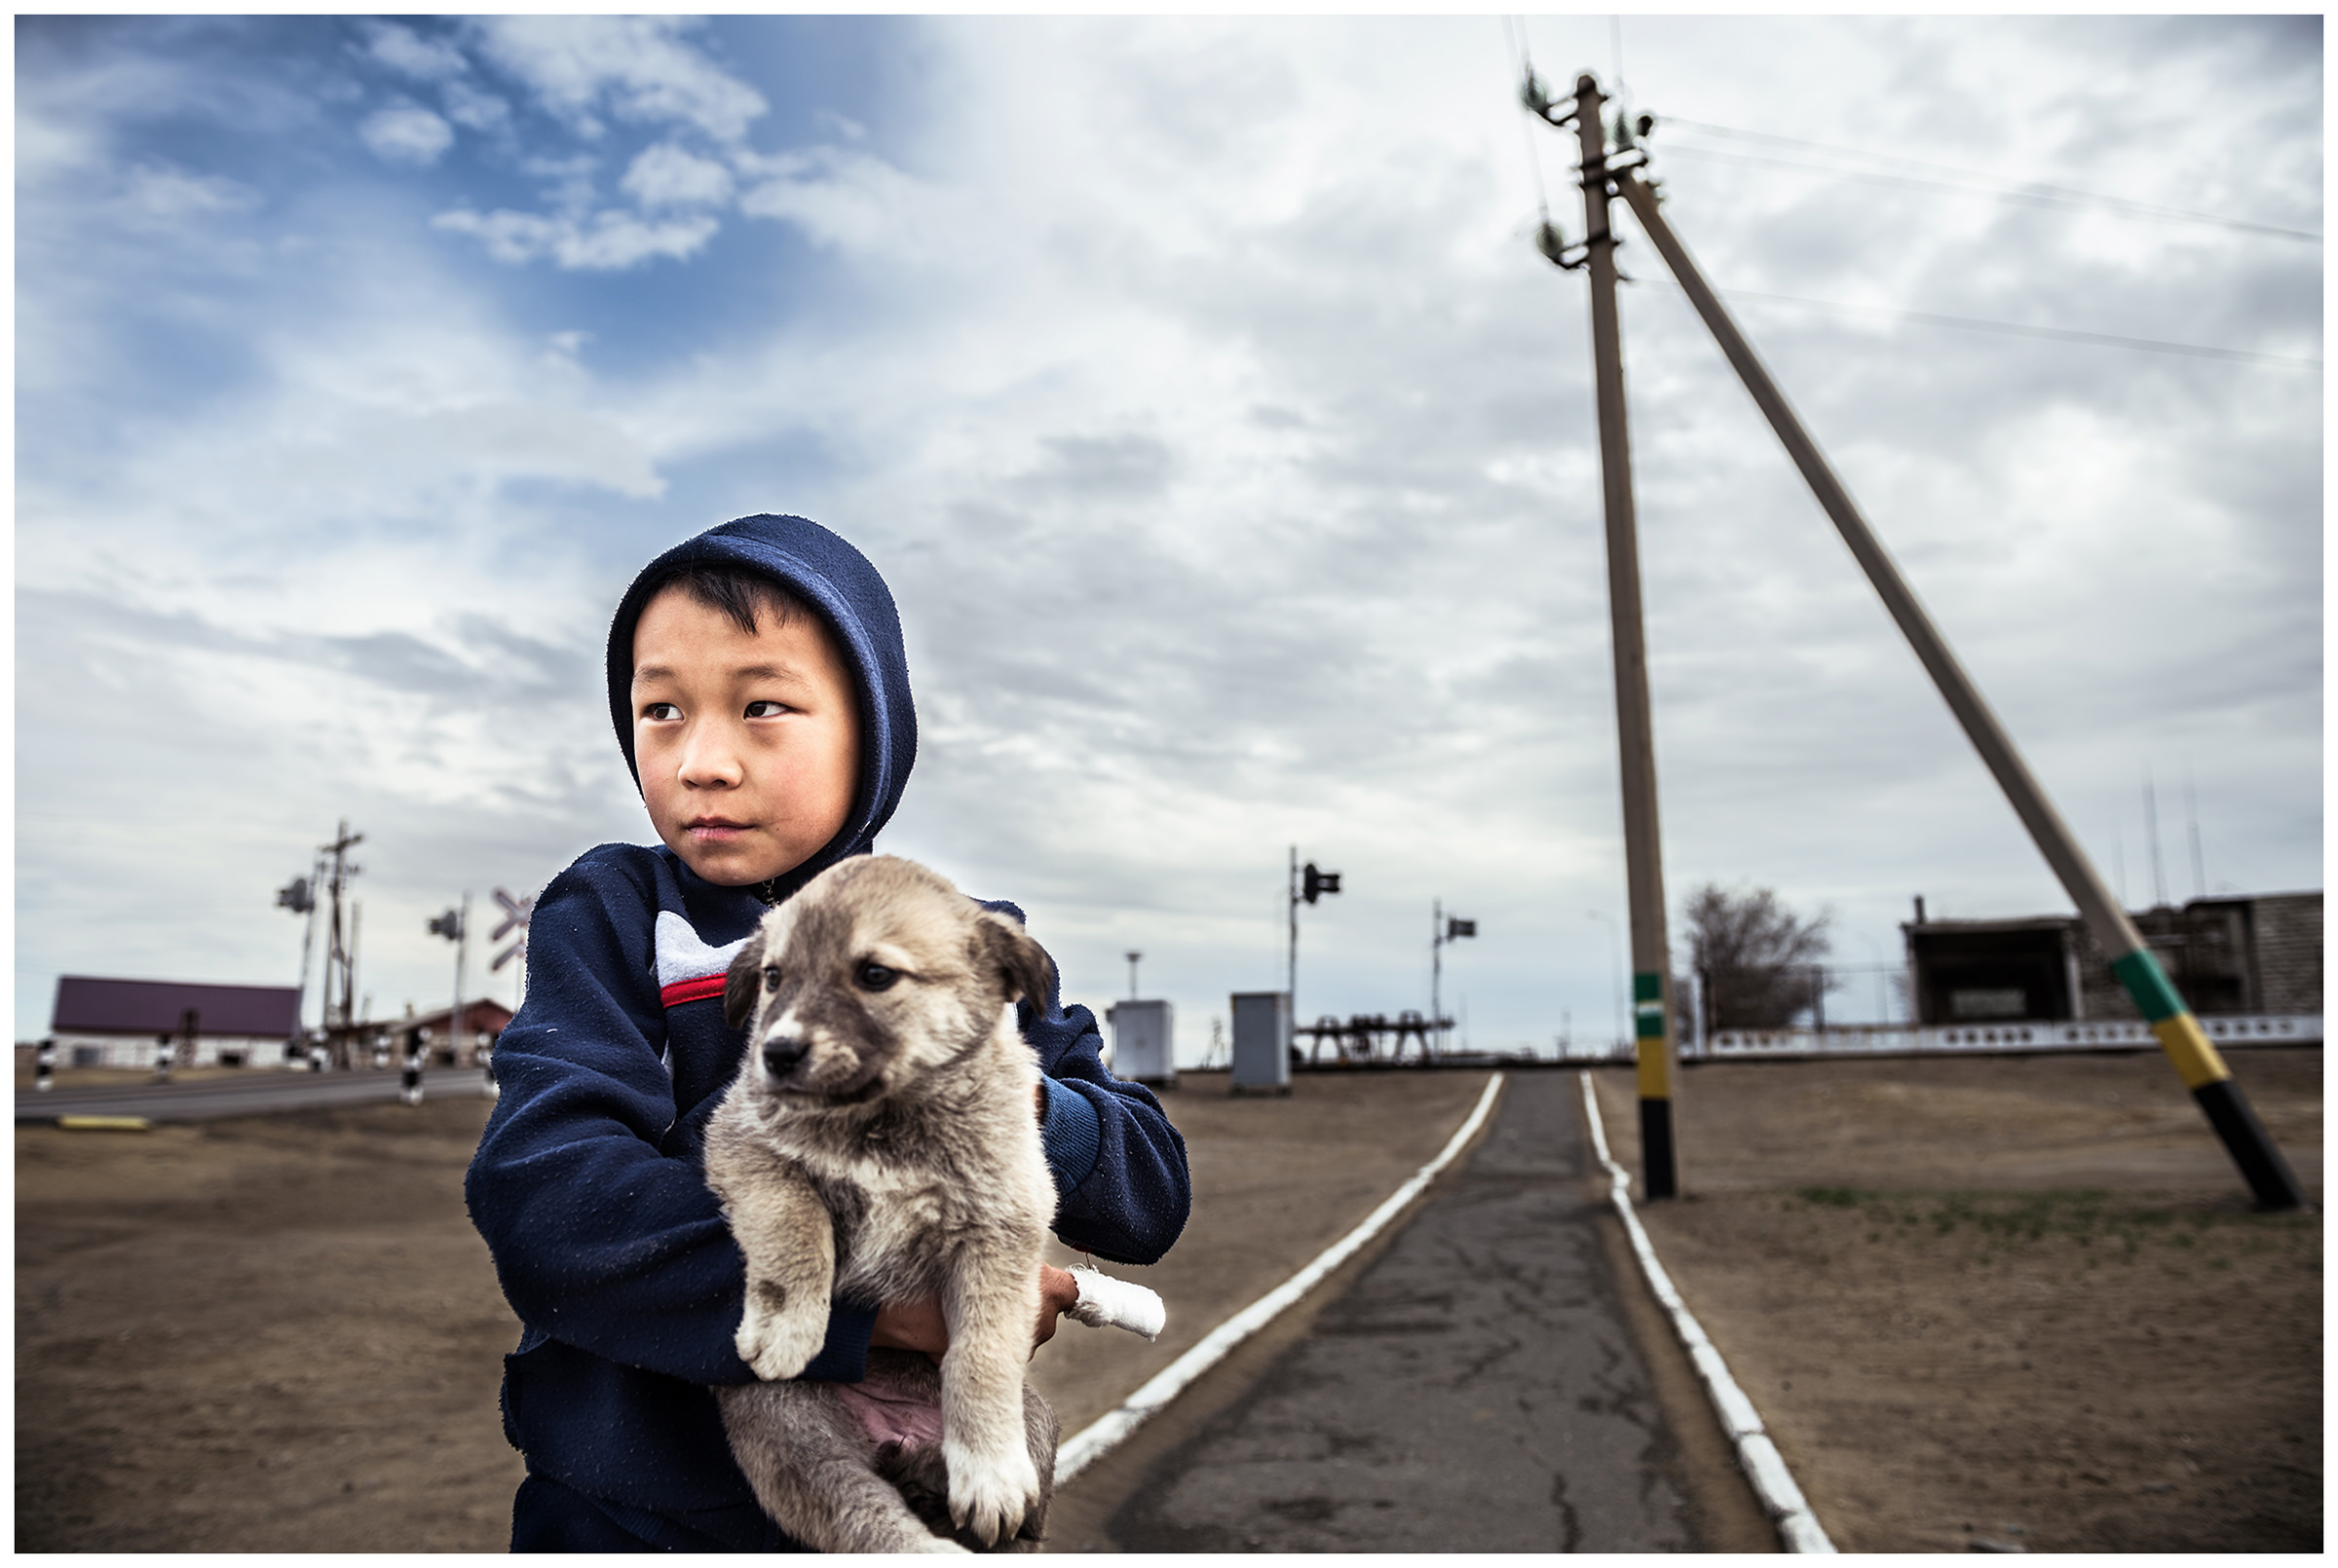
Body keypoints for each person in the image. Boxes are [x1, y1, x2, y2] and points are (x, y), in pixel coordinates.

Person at [466, 513, 1191, 1552]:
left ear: (873, 729)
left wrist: (1001, 1091)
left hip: (940, 1478)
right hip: (632, 1511)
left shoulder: (970, 939)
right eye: (660, 709)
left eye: (762, 706)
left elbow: (1150, 1192)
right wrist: (879, 1315)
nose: (702, 759)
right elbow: (550, 1201)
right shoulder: (615, 915)